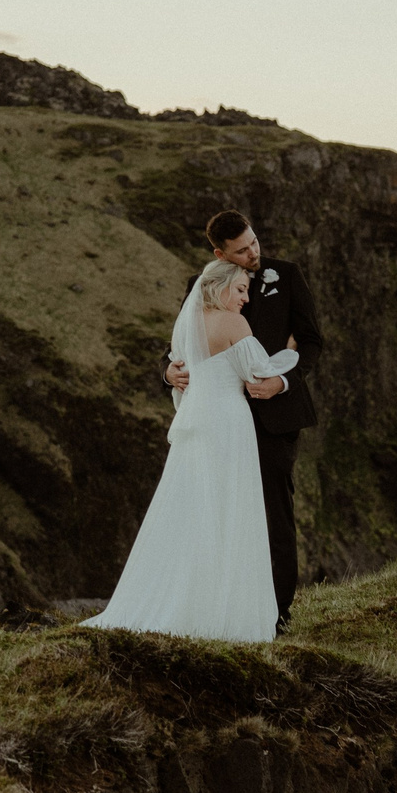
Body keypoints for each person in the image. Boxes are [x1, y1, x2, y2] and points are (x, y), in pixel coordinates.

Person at [82, 254, 301, 641]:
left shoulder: (187, 327)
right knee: (229, 511)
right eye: (239, 290)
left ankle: (179, 599)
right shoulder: (234, 322)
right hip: (229, 425)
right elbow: (260, 372)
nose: (244, 299)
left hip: (197, 423)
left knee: (190, 510)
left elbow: (178, 371)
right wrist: (291, 350)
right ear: (219, 288)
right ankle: (224, 609)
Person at [160, 211, 322, 627]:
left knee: (273, 512)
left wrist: (283, 381)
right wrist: (168, 372)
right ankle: (221, 602)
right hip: (218, 419)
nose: (253, 252)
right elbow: (182, 341)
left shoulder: (286, 275)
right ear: (219, 253)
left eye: (254, 242)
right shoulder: (199, 286)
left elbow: (312, 341)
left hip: (274, 416)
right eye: (242, 250)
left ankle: (277, 611)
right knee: (218, 510)